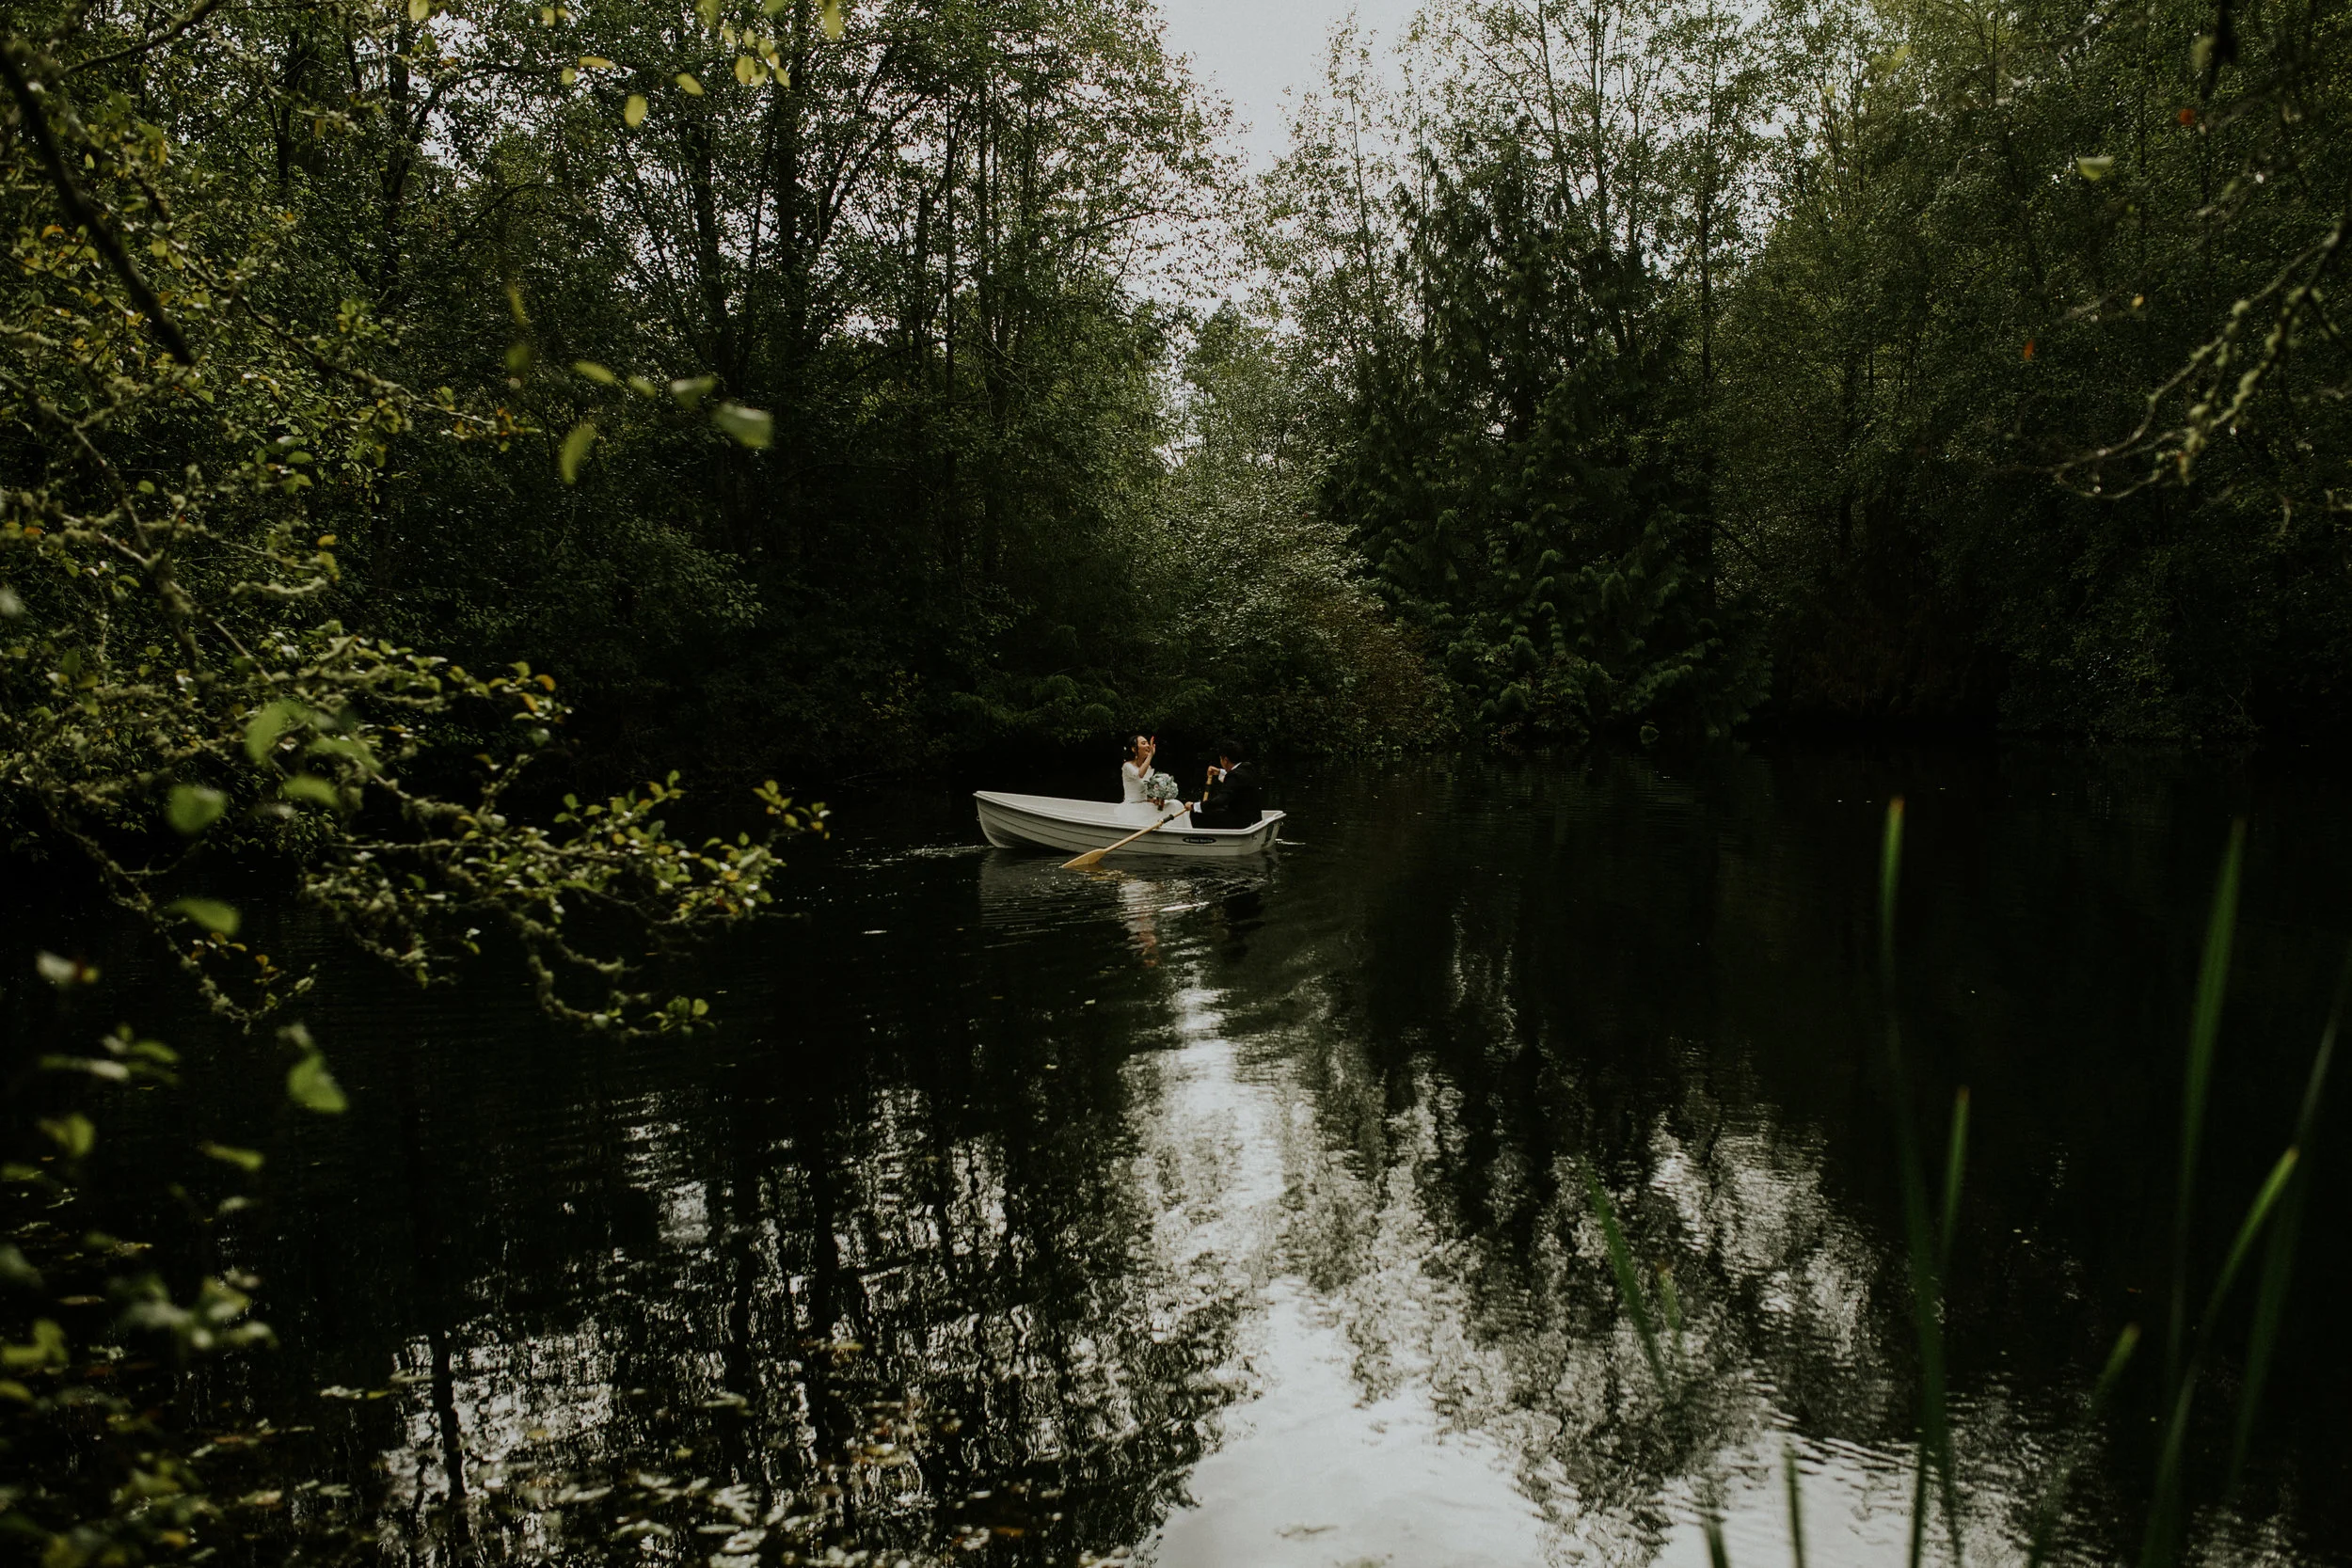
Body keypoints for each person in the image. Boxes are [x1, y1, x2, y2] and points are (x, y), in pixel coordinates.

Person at [1191, 737, 1263, 830]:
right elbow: (1237, 779)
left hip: (1241, 822)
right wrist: (1219, 772)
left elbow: (1221, 800)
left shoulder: (1234, 776)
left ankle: (1202, 841)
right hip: (1253, 818)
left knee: (1196, 813)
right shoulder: (1248, 768)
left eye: (1221, 759)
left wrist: (1195, 806)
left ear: (1225, 760)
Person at [1117, 735, 1185, 827]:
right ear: (1134, 749)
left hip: (1145, 805)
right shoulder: (1127, 766)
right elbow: (1139, 775)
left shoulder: (1148, 767)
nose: (1148, 746)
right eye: (1143, 743)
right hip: (1132, 807)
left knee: (1176, 804)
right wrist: (1150, 756)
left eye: (1148, 743)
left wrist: (1155, 799)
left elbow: (1146, 790)